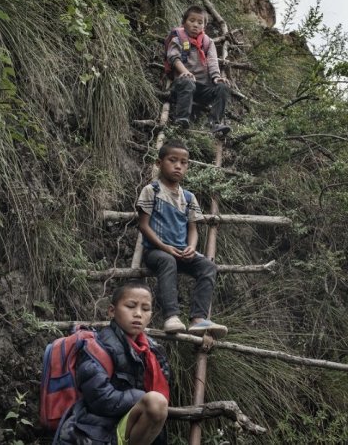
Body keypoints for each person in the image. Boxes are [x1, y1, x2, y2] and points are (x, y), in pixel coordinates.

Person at [55, 281, 170, 445]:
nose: (138, 314)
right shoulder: (97, 347)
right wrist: (143, 398)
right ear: (111, 311)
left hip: (131, 429)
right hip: (97, 433)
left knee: (156, 402)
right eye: (131, 306)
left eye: (145, 309)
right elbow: (100, 400)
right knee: (155, 402)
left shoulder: (152, 350)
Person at [136, 139, 228, 336]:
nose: (178, 166)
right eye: (172, 160)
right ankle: (171, 316)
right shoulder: (151, 191)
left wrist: (191, 247)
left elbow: (192, 228)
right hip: (156, 252)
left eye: (183, 162)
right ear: (159, 163)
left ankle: (198, 319)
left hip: (181, 251)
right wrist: (164, 247)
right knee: (167, 260)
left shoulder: (188, 197)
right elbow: (143, 225)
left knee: (208, 266)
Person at [166, 5, 231, 134]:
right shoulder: (177, 39)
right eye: (192, 20)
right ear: (184, 23)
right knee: (187, 82)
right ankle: (182, 118)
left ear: (204, 27)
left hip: (202, 88)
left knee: (223, 87)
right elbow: (174, 58)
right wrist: (185, 72)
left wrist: (216, 77)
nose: (196, 25)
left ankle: (214, 123)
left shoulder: (207, 42)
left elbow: (212, 62)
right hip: (182, 86)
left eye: (200, 22)